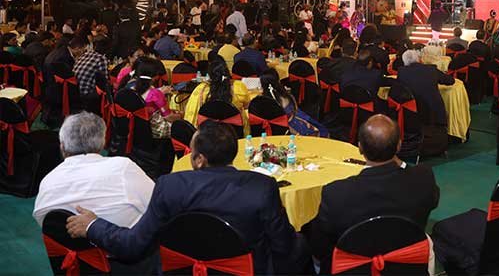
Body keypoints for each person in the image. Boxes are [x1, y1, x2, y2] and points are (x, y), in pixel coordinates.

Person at [65, 121, 306, 275]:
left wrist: (93, 225)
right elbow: (283, 246)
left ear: (199, 159)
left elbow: (134, 244)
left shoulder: (170, 186)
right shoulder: (262, 186)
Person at [308, 115, 439, 274]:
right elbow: (433, 201)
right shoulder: (423, 178)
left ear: (360, 148)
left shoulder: (336, 193)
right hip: (409, 265)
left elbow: (319, 246)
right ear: (398, 146)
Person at [33, 112, 153, 227]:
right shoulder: (123, 168)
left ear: (62, 146)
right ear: (102, 143)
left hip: (64, 240)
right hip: (123, 240)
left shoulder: (48, 182)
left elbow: (44, 222)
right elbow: (156, 203)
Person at [259, 69, 329, 137]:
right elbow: (295, 109)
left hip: (280, 130)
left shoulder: (265, 102)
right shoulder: (286, 95)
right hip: (295, 123)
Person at [396, 49, 453, 127]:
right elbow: (450, 81)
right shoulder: (431, 69)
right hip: (433, 113)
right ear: (419, 59)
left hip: (412, 114)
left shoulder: (402, 72)